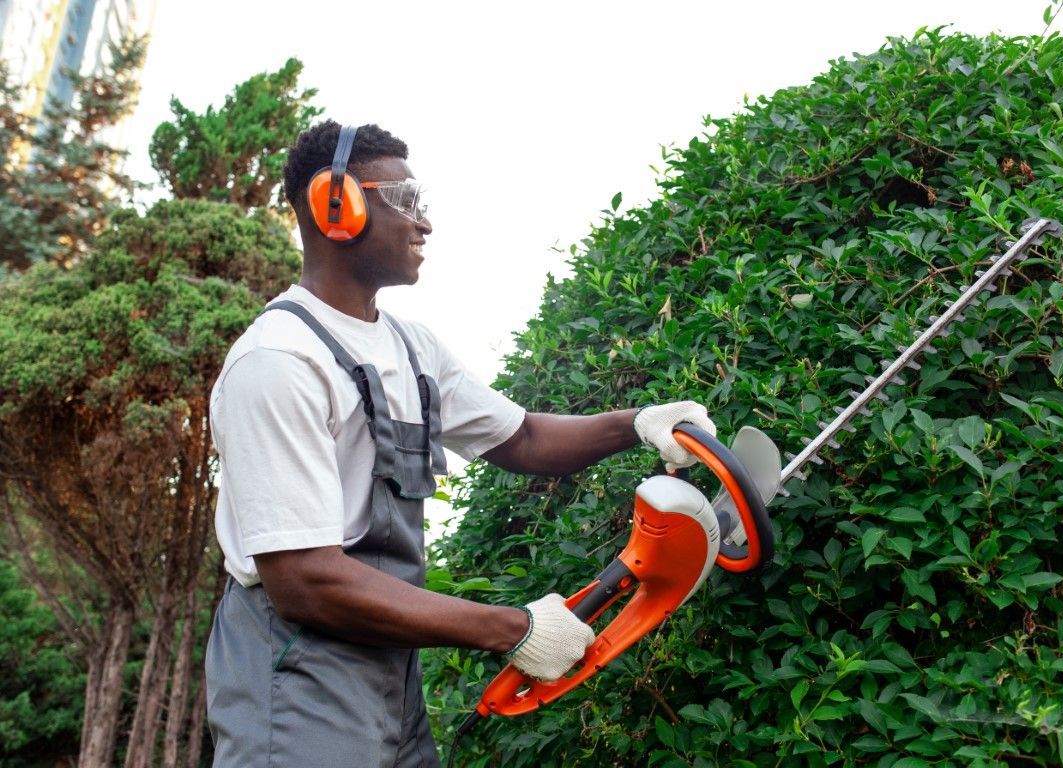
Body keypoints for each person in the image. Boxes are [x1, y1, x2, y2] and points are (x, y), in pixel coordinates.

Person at [204, 119, 716, 768]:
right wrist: (513, 629)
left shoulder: (413, 348)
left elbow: (525, 437)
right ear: (338, 205)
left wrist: (641, 422)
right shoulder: (278, 361)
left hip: (391, 676)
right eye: (407, 202)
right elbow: (304, 580)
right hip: (297, 673)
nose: (425, 224)